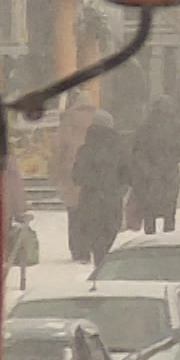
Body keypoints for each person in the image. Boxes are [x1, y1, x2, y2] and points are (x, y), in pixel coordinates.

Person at [72, 109, 130, 266]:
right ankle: (103, 262)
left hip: (90, 199)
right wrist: (117, 186)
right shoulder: (119, 148)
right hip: (112, 199)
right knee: (109, 233)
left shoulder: (85, 149)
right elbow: (127, 174)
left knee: (95, 235)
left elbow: (77, 177)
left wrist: (92, 183)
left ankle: (99, 263)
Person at [130, 95, 180, 234]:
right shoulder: (175, 126)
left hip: (149, 176)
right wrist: (170, 157)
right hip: (169, 175)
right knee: (169, 212)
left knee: (149, 212)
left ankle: (150, 240)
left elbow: (136, 151)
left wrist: (146, 167)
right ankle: (167, 240)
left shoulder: (144, 127)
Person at [51, 97, 97, 262]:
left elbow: (58, 150)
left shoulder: (67, 123)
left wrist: (57, 174)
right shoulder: (97, 118)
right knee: (92, 213)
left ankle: (78, 250)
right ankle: (93, 245)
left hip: (71, 176)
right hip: (93, 176)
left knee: (75, 215)